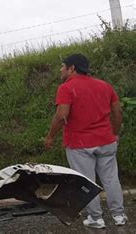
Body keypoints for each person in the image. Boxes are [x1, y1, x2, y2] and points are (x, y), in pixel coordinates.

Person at [45, 53, 127, 229]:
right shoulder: (105, 86)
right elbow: (118, 112)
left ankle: (96, 218)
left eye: (62, 66)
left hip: (79, 144)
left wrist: (51, 136)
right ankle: (119, 216)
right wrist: (115, 133)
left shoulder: (66, 88)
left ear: (72, 68)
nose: (61, 70)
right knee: (111, 179)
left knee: (86, 182)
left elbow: (61, 116)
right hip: (106, 141)